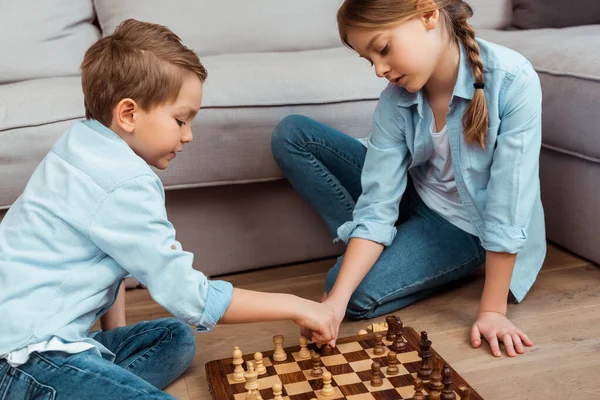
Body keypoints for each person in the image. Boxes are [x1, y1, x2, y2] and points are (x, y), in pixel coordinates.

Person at [0, 19, 336, 399]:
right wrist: (297, 306)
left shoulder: (80, 143)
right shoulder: (124, 181)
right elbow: (190, 298)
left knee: (173, 338)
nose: (188, 135)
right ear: (128, 114)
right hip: (25, 357)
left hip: (23, 339)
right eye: (181, 120)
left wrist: (110, 341)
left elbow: (112, 252)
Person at [272, 0, 546, 358]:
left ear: (428, 14)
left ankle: (417, 257)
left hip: (466, 226)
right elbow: (376, 204)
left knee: (348, 293)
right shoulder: (395, 101)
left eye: (383, 49)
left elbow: (507, 207)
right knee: (294, 134)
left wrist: (492, 311)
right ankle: (382, 246)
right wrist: (332, 306)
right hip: (413, 193)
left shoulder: (512, 80)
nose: (379, 70)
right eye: (370, 60)